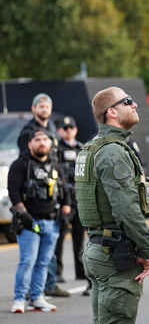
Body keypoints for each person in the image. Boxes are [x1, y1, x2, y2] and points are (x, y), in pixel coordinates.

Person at [76, 87, 149, 324]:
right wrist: (146, 250)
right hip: (115, 255)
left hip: (100, 248)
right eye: (127, 101)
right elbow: (125, 209)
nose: (135, 105)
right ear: (111, 111)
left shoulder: (92, 147)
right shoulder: (112, 152)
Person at [8, 128, 71, 313]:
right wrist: (23, 215)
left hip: (52, 223)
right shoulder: (20, 164)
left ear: (50, 143)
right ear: (30, 144)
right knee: (27, 261)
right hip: (30, 224)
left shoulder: (55, 165)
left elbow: (65, 192)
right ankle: (20, 299)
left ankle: (37, 298)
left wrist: (65, 215)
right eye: (37, 139)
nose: (42, 142)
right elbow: (13, 191)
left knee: (44, 262)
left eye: (45, 139)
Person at [56, 116, 91, 295]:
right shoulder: (57, 149)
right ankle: (57, 272)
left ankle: (80, 271)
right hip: (64, 198)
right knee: (60, 235)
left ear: (75, 130)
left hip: (80, 198)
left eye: (71, 127)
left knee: (79, 236)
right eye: (65, 127)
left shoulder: (82, 149)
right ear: (60, 130)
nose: (68, 130)